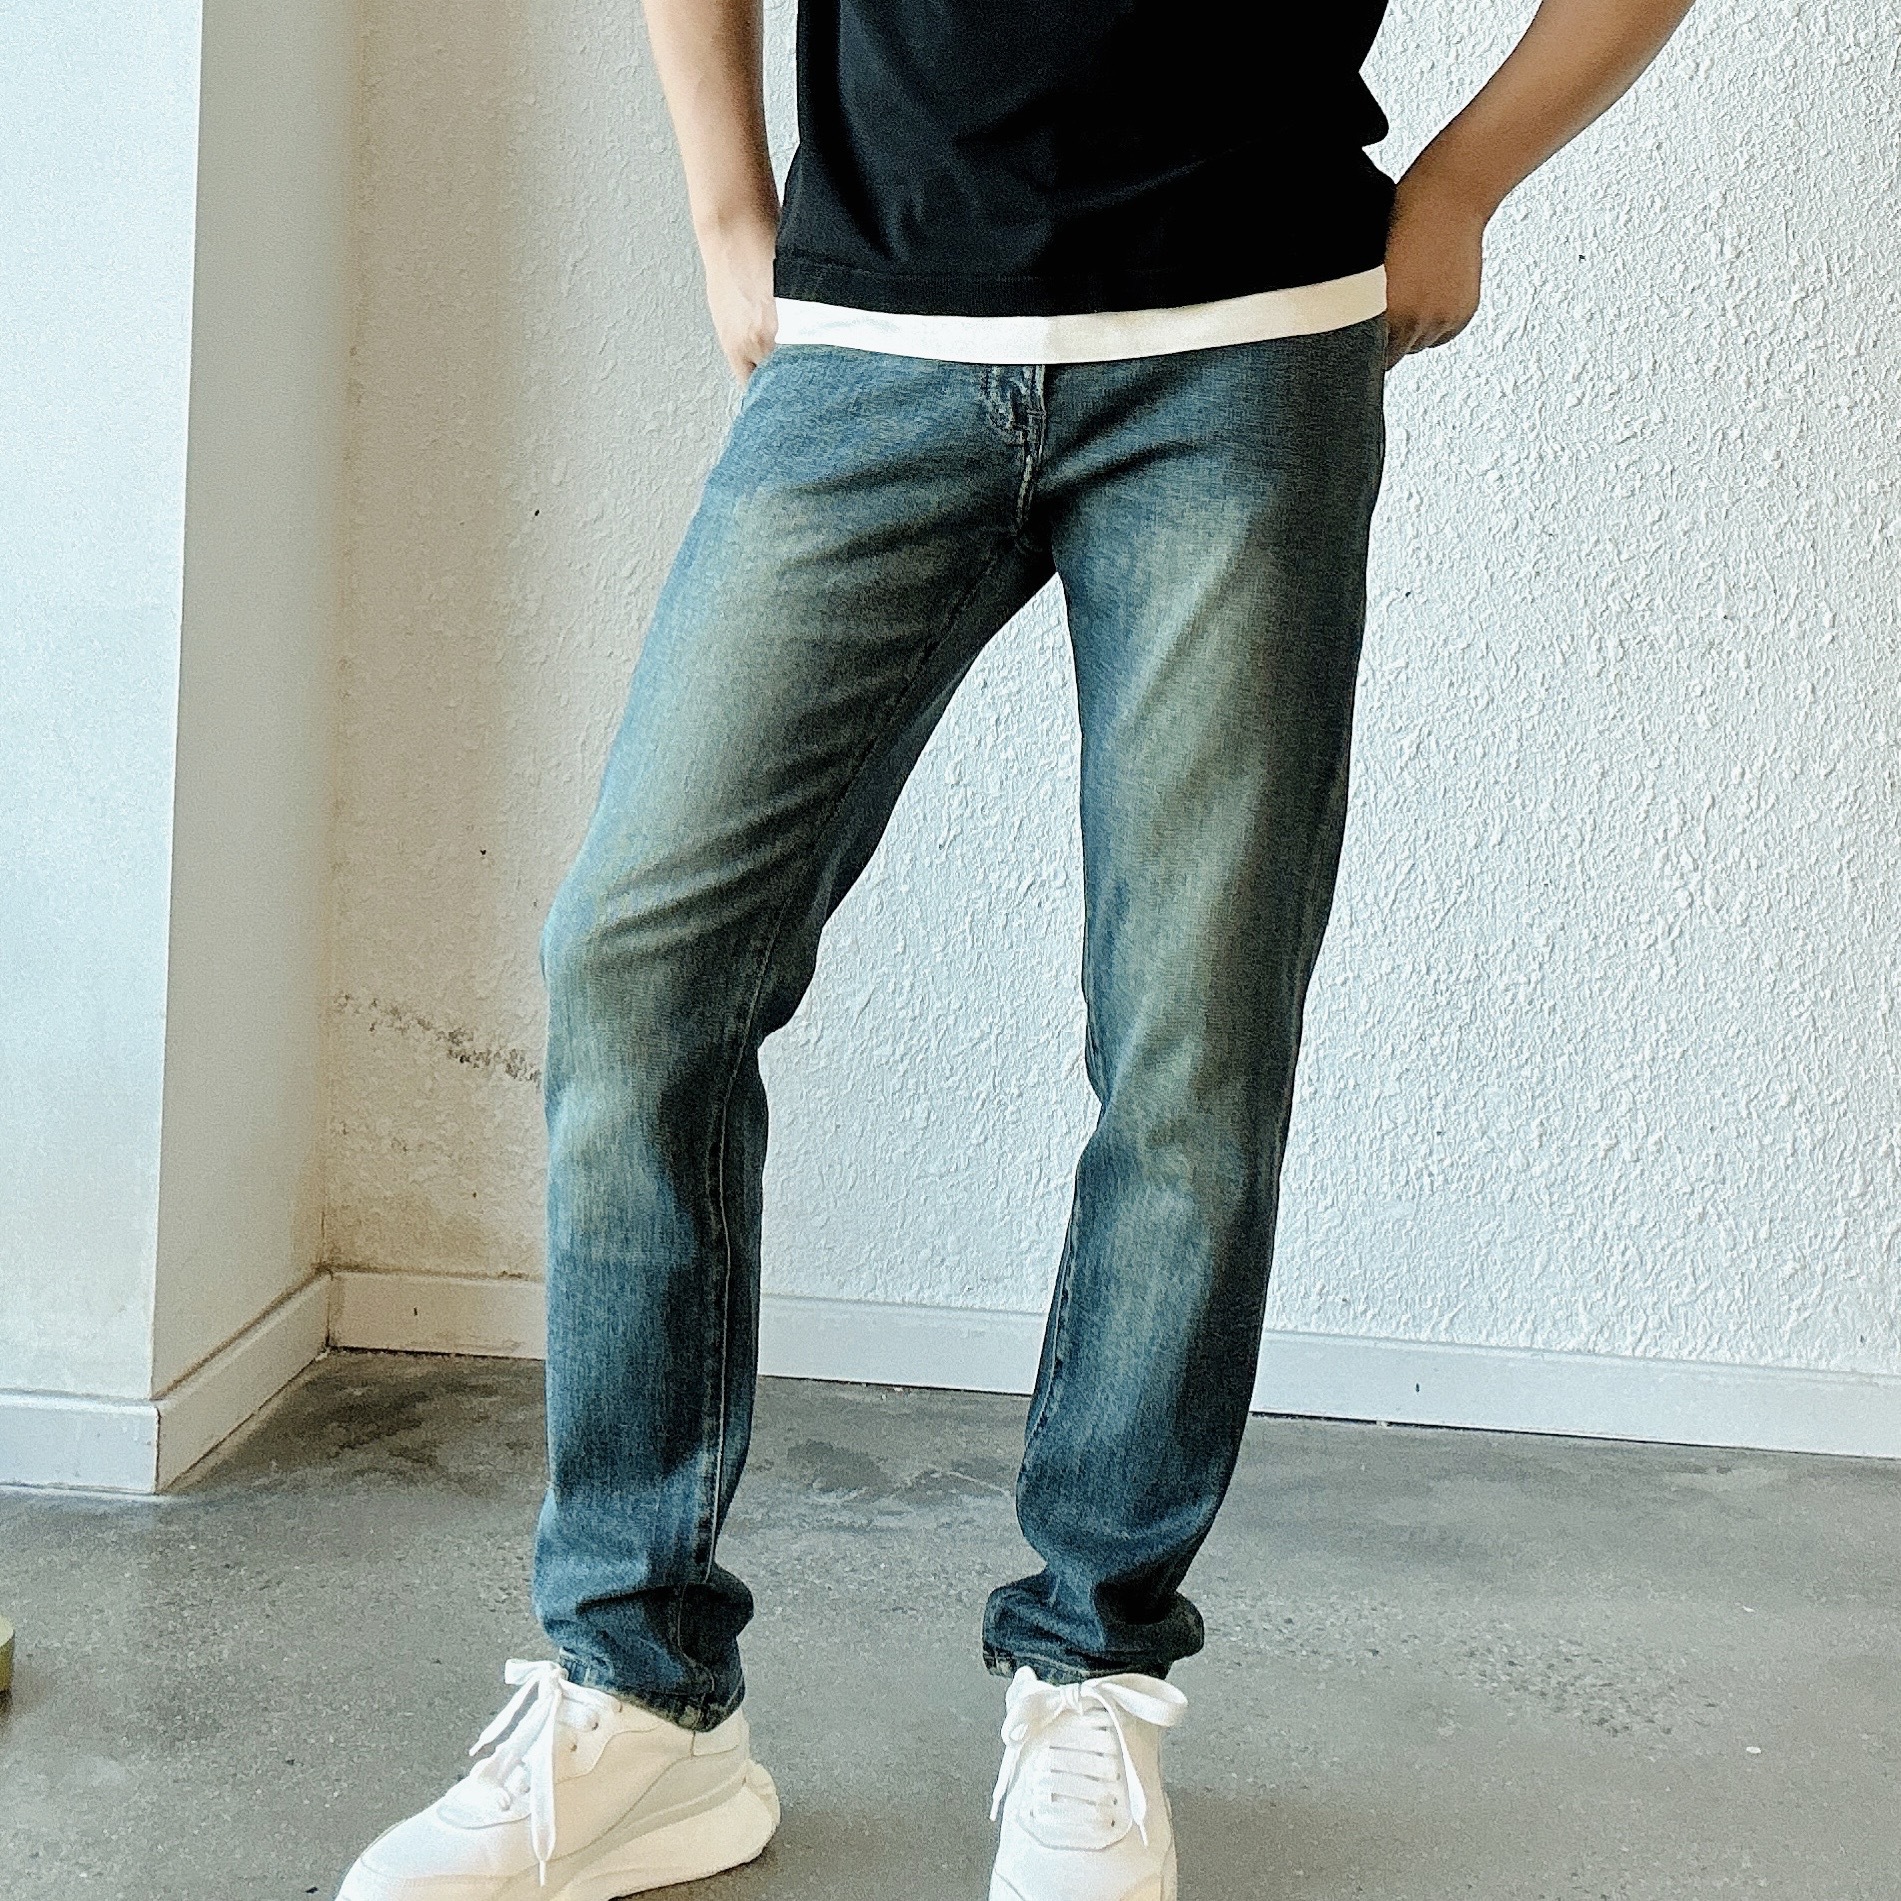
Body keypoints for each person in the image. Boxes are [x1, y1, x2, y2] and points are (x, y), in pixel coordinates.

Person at [337, 0, 1697, 1895]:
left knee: (1191, 1043)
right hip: (875, 339)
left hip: (1243, 356)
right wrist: (728, 209)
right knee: (638, 969)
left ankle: (1091, 1669)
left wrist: (1464, 182)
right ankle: (640, 1703)